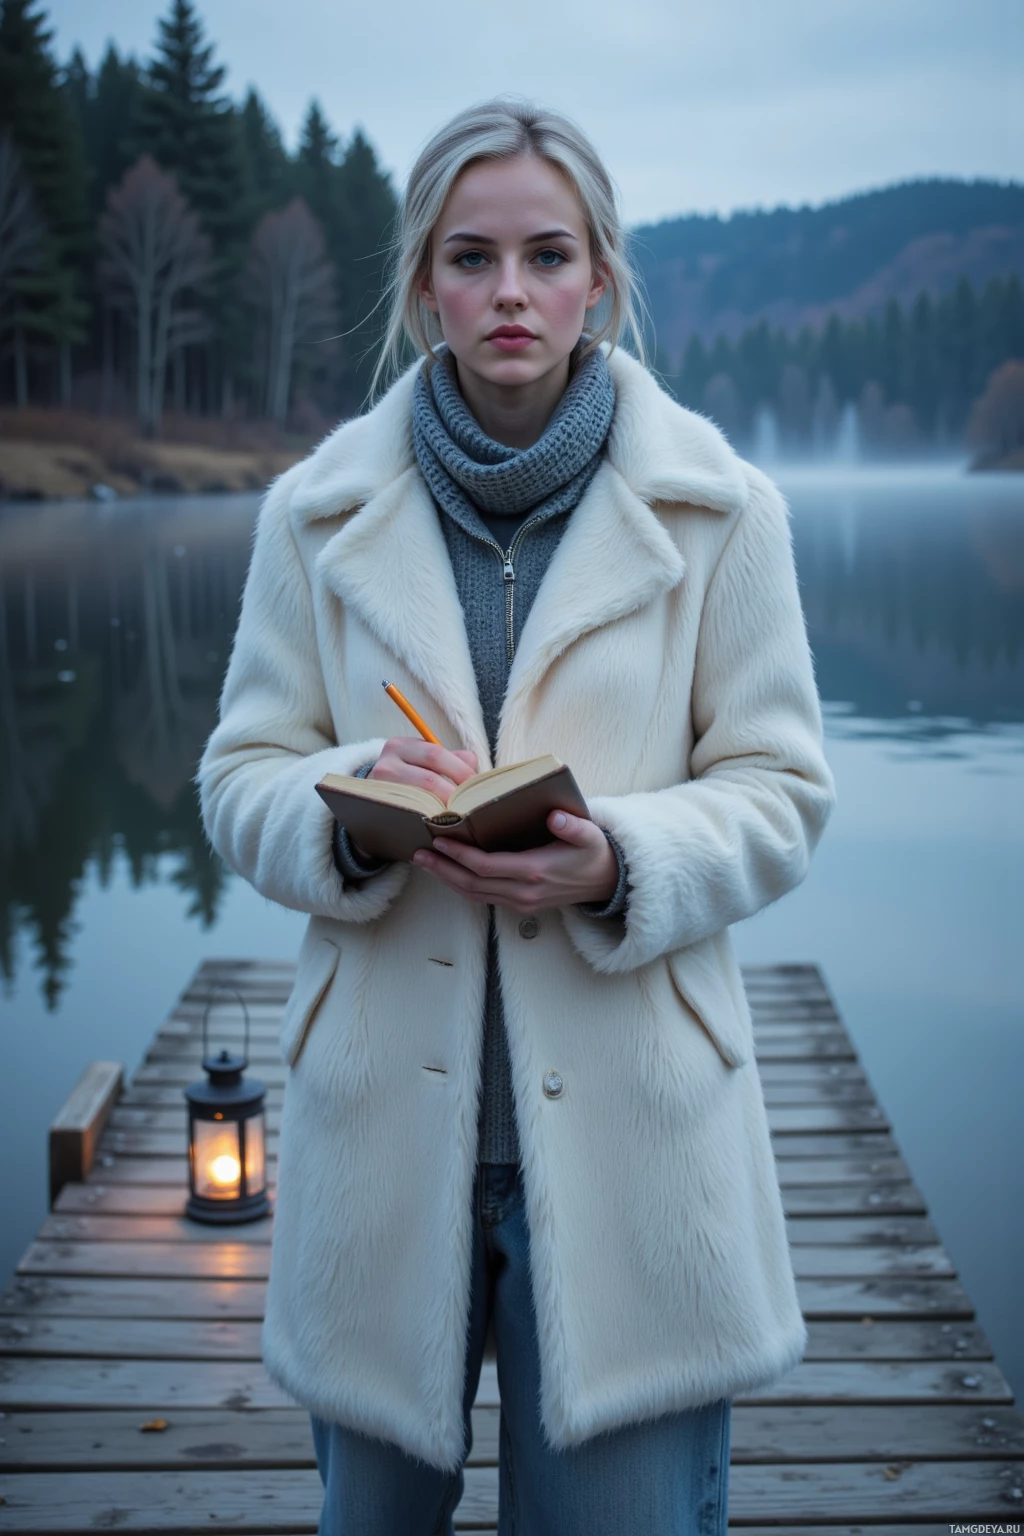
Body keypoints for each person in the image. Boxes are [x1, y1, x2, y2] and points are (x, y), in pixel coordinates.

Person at [198, 95, 837, 1536]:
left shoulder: (725, 515)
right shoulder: (310, 516)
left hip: (641, 1145)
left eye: (547, 256)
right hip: (380, 1144)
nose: (509, 294)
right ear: (424, 280)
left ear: (601, 275)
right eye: (471, 259)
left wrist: (626, 860)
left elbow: (785, 793)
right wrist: (348, 814)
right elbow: (239, 776)